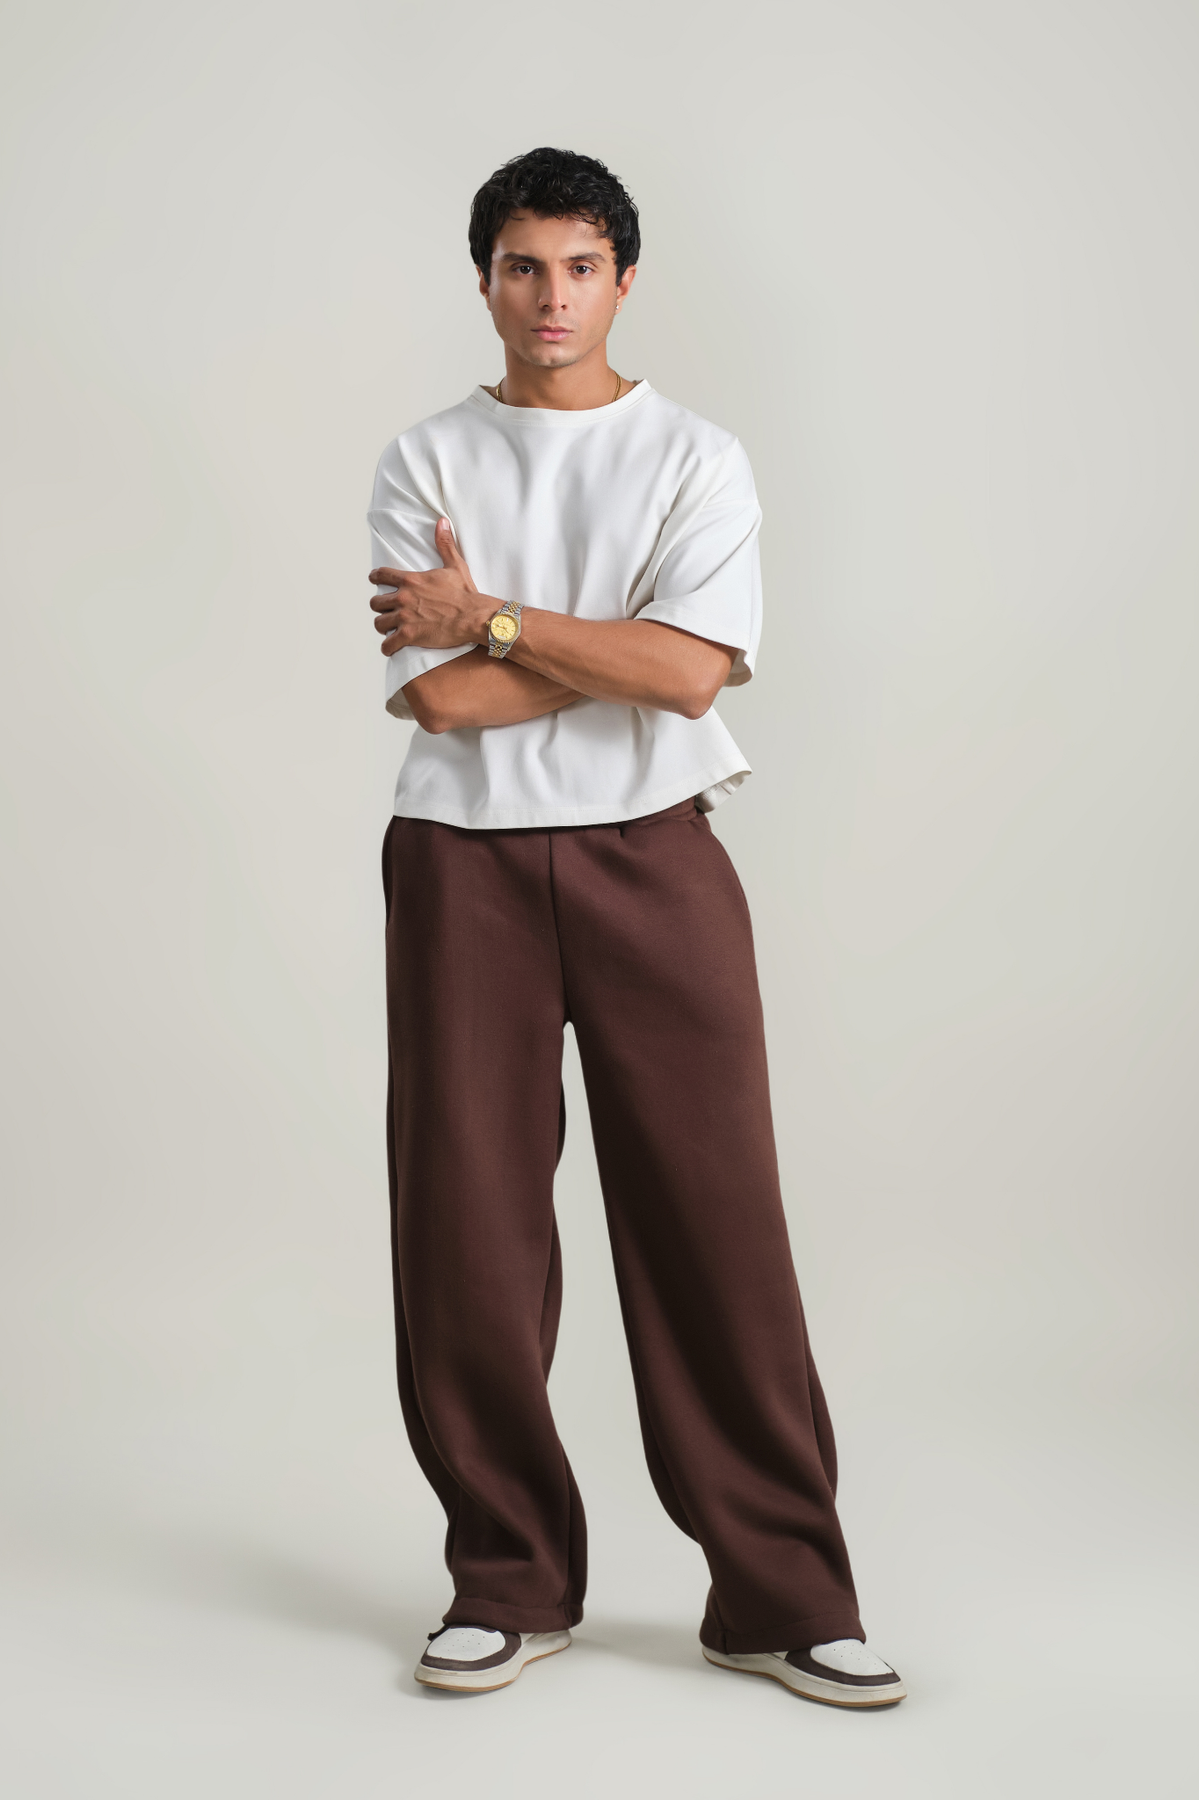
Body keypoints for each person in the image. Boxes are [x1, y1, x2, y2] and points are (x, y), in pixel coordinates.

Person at [367, 146, 904, 1708]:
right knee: (465, 1230)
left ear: (622, 280)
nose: (552, 296)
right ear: (484, 280)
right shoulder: (424, 460)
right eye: (522, 266)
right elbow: (444, 700)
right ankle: (507, 1578)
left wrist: (499, 618)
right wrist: (621, 645)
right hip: (459, 866)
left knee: (716, 1223)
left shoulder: (694, 458)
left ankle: (780, 1594)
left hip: (654, 855)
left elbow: (683, 679)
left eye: (580, 267)